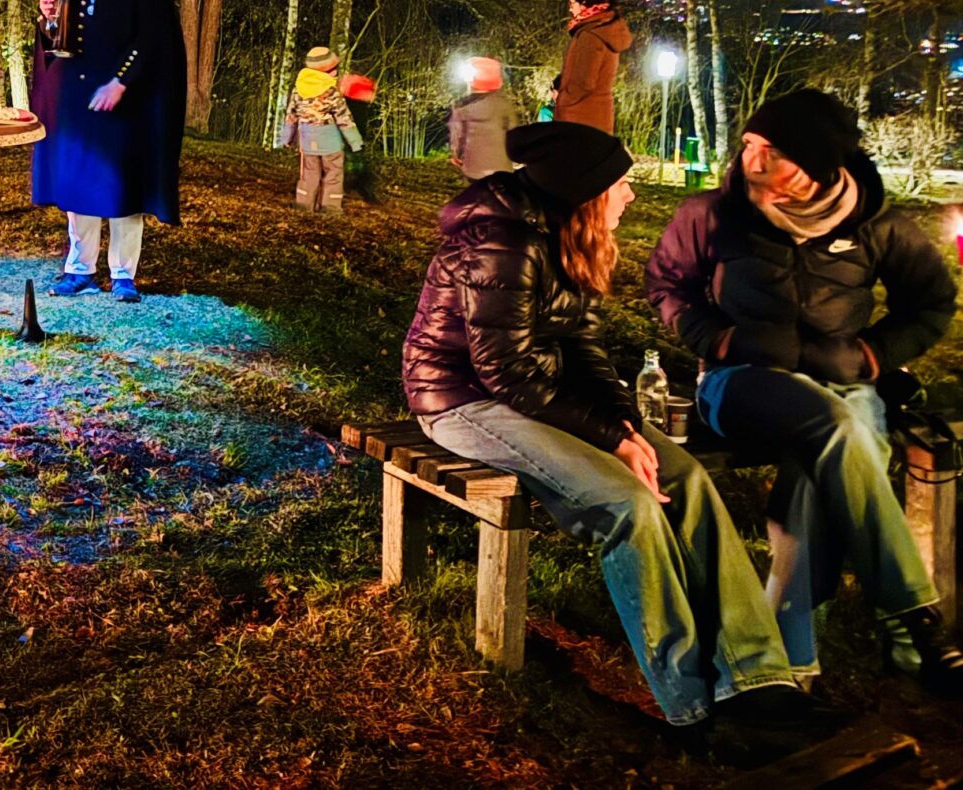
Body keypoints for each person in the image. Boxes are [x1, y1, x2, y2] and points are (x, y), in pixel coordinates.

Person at [403, 122, 822, 758]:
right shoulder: (501, 241)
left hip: (537, 392)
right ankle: (692, 705)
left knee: (686, 478)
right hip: (464, 399)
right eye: (621, 184)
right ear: (584, 191)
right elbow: (503, 371)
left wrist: (625, 425)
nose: (628, 195)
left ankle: (758, 678)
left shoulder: (568, 235)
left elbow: (583, 348)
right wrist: (612, 442)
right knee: (626, 505)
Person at [646, 88, 963, 695]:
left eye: (771, 151)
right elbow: (666, 283)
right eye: (748, 146)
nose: (750, 161)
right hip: (740, 383)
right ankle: (913, 617)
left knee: (817, 472)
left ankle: (792, 665)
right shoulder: (712, 213)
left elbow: (931, 303)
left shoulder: (876, 224)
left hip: (843, 379)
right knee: (844, 430)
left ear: (816, 167)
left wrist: (872, 354)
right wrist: (717, 340)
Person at [32, 0, 186, 303]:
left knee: (123, 187)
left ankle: (122, 274)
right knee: (79, 185)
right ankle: (79, 268)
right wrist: (47, 16)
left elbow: (152, 37)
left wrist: (121, 81)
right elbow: (56, 39)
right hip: (76, 100)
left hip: (124, 100)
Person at [277, 46, 363, 213]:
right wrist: (355, 141)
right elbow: (344, 117)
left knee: (308, 173)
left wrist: (286, 137)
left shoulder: (298, 90)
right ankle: (330, 207)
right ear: (325, 71)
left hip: (307, 140)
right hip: (330, 141)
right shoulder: (332, 92)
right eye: (334, 69)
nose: (337, 72)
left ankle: (304, 204)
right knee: (333, 173)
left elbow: (291, 115)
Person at [555, 0, 631, 133]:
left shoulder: (590, 35)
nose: (570, 9)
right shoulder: (605, 30)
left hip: (578, 118)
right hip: (598, 116)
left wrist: (563, 99)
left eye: (572, 4)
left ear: (584, 5)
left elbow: (584, 80)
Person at [448, 56, 513, 179]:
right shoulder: (506, 105)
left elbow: (457, 136)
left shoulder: (462, 107)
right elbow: (514, 133)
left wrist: (457, 156)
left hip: (473, 167)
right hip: (503, 168)